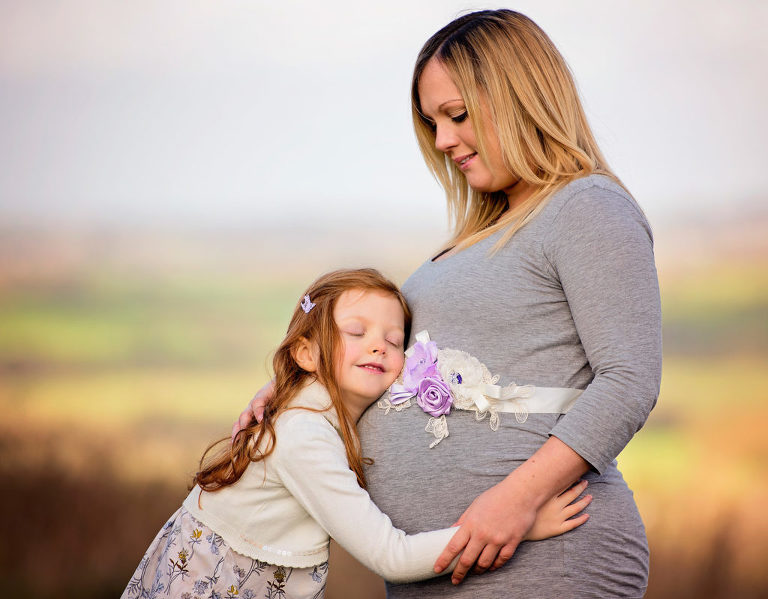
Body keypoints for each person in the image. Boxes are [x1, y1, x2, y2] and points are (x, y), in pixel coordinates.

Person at [237, 9, 662, 599]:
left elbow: (629, 380)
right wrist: (300, 389)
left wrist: (513, 502)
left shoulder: (586, 207)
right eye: (432, 122)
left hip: (541, 557)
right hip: (443, 567)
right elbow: (386, 363)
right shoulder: (478, 235)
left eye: (456, 116)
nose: (442, 141)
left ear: (519, 96)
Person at [123, 268, 592, 599]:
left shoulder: (320, 408)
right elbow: (391, 556)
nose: (378, 344)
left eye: (394, 339)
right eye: (356, 331)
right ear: (306, 353)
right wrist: (517, 526)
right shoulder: (303, 434)